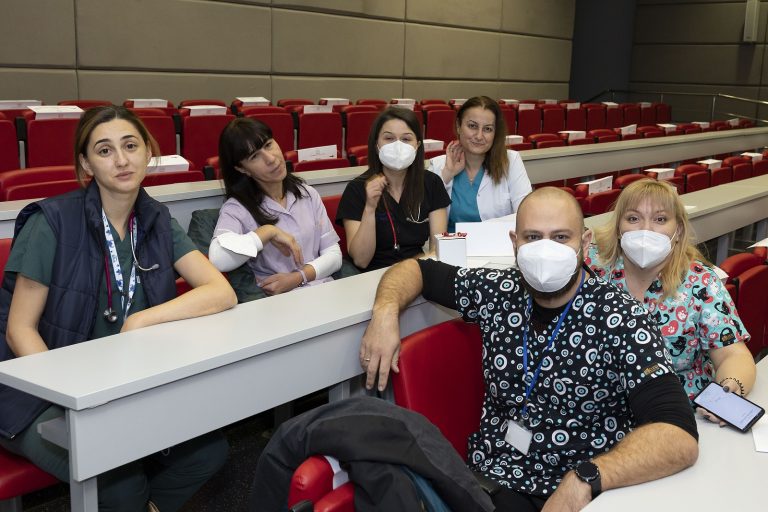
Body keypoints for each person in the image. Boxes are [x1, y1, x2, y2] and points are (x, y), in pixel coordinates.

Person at [360, 187, 698, 512]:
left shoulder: (620, 317)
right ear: (515, 242)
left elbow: (678, 435)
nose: (545, 250)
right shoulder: (499, 290)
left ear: (584, 242)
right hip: (497, 476)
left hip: (584, 486)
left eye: (561, 237)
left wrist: (584, 480)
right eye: (533, 237)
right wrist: (385, 312)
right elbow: (416, 269)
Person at [0, 106, 237, 512]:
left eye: (130, 146)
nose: (122, 160)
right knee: (120, 485)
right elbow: (19, 329)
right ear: (85, 163)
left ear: (148, 152)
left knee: (207, 454)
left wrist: (142, 318)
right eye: (105, 150)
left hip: (119, 385)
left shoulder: (157, 219)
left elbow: (221, 291)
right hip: (34, 394)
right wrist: (69, 399)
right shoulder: (52, 221)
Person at [586, 178, 756, 410]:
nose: (646, 229)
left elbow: (733, 355)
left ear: (678, 230)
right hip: (602, 412)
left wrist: (728, 391)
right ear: (618, 229)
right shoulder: (592, 272)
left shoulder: (700, 282)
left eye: (660, 219)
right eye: (633, 218)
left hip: (680, 411)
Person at [209, 117, 342, 295]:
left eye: (269, 145)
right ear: (242, 169)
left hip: (324, 291)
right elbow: (218, 259)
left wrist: (299, 277)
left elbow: (334, 254)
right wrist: (268, 232)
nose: (271, 159)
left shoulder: (307, 193)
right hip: (279, 303)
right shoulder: (237, 209)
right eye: (255, 156)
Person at [336, 108, 450, 271]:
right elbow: (361, 260)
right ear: (376, 144)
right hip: (372, 274)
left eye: (406, 139)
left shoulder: (431, 183)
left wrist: (411, 269)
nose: (398, 146)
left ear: (417, 145)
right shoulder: (357, 189)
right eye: (389, 138)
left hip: (417, 269)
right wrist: (370, 208)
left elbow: (437, 248)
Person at [429, 96, 532, 231]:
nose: (479, 136)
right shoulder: (438, 165)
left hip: (497, 242)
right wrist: (446, 175)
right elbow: (422, 218)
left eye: (487, 129)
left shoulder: (511, 161)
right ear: (459, 126)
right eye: (472, 126)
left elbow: (526, 214)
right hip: (451, 243)